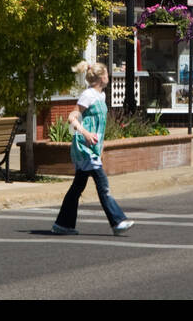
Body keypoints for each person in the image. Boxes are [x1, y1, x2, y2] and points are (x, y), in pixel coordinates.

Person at [52, 62, 133, 236]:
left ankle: (63, 224)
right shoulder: (87, 95)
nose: (108, 77)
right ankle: (117, 221)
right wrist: (85, 133)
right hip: (84, 148)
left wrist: (100, 148)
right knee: (103, 186)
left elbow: (100, 126)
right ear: (101, 77)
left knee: (77, 187)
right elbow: (72, 118)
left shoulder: (101, 96)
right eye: (107, 74)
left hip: (93, 149)